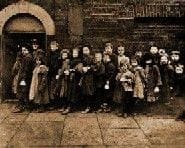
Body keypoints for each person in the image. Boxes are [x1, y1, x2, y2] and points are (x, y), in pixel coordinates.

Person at [13, 46, 34, 113]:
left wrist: (23, 79)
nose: (23, 52)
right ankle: (25, 106)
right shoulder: (27, 57)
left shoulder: (28, 58)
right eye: (22, 50)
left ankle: (23, 107)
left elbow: (26, 70)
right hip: (24, 78)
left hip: (25, 78)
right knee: (24, 92)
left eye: (24, 50)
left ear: (28, 50)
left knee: (23, 92)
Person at [55, 49, 71, 114]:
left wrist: (61, 73)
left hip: (66, 79)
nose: (64, 56)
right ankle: (64, 106)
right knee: (63, 93)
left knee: (66, 93)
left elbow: (65, 70)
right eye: (63, 55)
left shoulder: (67, 62)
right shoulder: (61, 62)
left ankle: (67, 107)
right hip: (62, 79)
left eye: (65, 55)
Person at [81, 45, 95, 114]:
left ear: (89, 51)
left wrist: (88, 68)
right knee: (85, 92)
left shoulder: (91, 58)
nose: (85, 52)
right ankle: (86, 106)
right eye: (84, 50)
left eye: (86, 50)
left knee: (89, 92)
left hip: (90, 77)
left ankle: (89, 107)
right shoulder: (83, 58)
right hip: (84, 77)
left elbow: (94, 66)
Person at [48, 41, 60, 109]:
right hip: (51, 74)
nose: (52, 48)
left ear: (57, 47)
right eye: (51, 46)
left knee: (56, 88)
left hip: (56, 74)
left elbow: (57, 65)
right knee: (52, 88)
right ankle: (53, 103)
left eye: (53, 46)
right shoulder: (50, 54)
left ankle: (56, 104)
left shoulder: (58, 55)